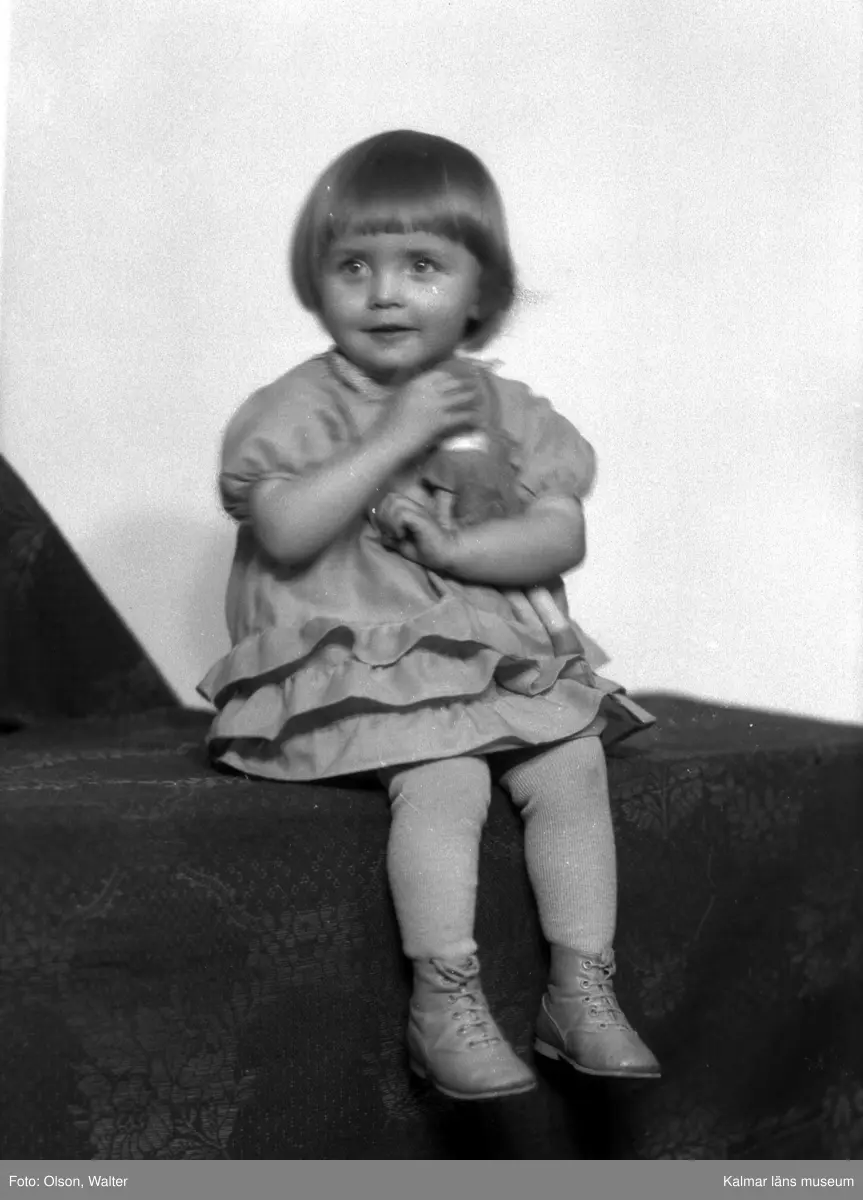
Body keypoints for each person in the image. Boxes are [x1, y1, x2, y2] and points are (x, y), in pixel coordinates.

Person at [199, 129, 661, 1101]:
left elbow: (557, 532)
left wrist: (455, 553)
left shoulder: (504, 407)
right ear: (316, 281)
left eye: (420, 266)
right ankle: (442, 1001)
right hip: (350, 655)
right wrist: (393, 436)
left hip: (479, 653)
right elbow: (285, 529)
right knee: (443, 771)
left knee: (571, 761)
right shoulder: (296, 405)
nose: (383, 293)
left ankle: (579, 990)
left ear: (478, 289)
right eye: (353, 266)